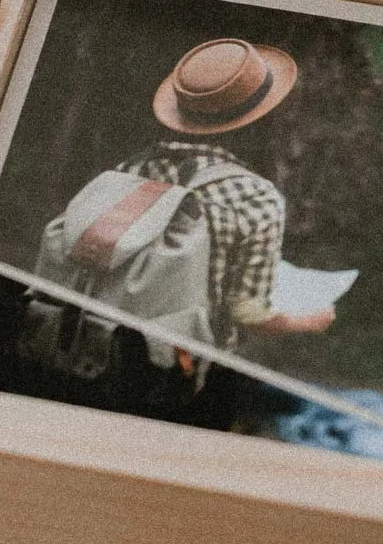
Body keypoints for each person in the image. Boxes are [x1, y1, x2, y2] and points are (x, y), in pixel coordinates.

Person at [117, 37, 336, 348]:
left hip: (94, 335)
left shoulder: (133, 167)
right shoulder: (256, 197)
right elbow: (248, 313)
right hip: (167, 360)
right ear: (264, 119)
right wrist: (308, 320)